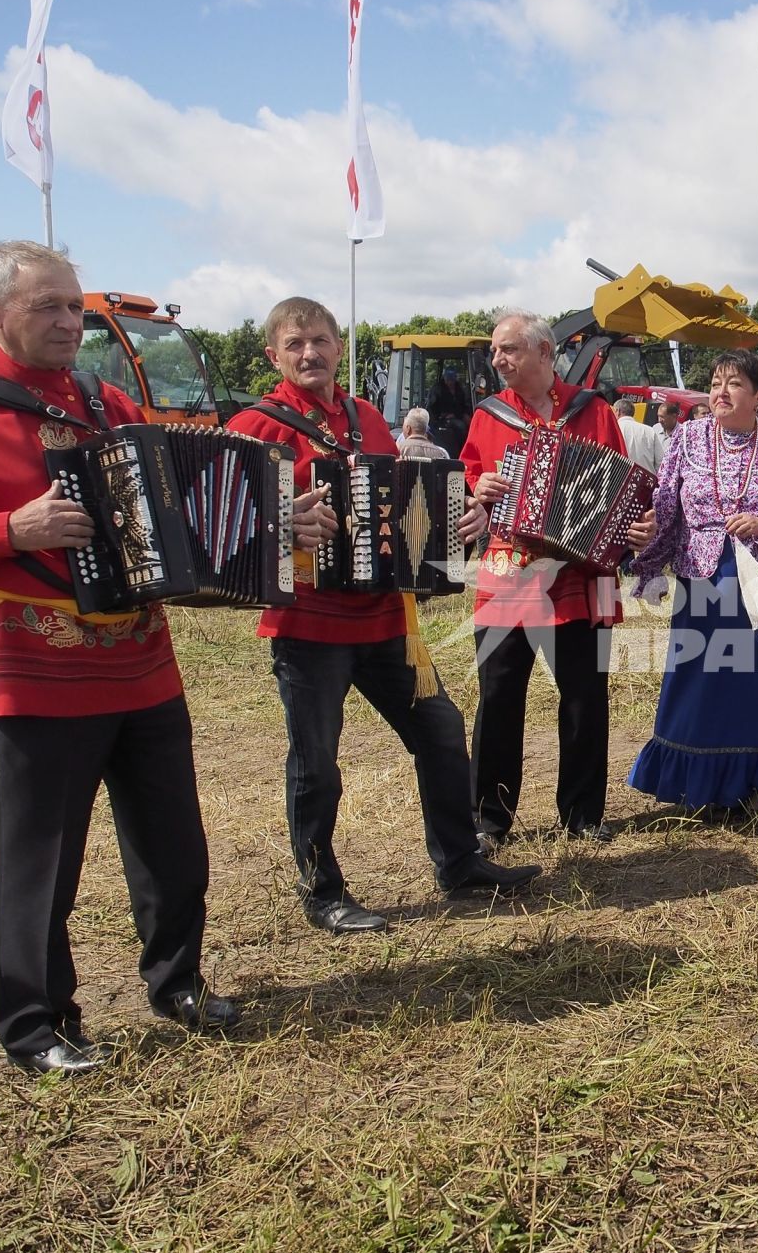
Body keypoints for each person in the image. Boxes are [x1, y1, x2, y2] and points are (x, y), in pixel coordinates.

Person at [0, 241, 265, 1072]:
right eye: (49, 306)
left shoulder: (107, 401)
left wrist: (266, 522)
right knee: (40, 859)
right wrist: (9, 530)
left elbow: (172, 505)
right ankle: (37, 1025)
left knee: (173, 843)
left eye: (75, 306)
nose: (70, 321)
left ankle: (176, 982)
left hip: (144, 659)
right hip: (35, 666)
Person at [228, 297, 539, 937]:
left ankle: (459, 862)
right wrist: (281, 525)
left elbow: (403, 508)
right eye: (295, 345)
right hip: (309, 626)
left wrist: (460, 524)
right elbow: (219, 526)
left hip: (382, 620)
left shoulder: (366, 417)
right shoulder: (255, 426)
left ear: (339, 346)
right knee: (317, 762)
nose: (309, 353)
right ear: (274, 356)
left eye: (320, 340)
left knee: (442, 733)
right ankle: (322, 889)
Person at [463, 309, 653, 845]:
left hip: (580, 574)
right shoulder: (488, 415)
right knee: (498, 692)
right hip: (509, 572)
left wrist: (633, 529)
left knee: (584, 694)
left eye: (509, 350)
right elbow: (467, 476)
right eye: (496, 352)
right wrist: (481, 490)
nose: (498, 360)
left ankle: (583, 814)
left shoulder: (592, 412)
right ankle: (490, 818)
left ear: (545, 353)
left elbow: (622, 487)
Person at [627, 349, 758, 811]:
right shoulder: (689, 438)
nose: (721, 391)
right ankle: (700, 787)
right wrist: (649, 538)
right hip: (703, 575)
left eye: (734, 383)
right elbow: (667, 502)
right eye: (716, 382)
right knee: (703, 679)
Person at [426, 366, 473, 458]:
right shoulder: (437, 389)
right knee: (461, 426)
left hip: (457, 414)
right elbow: (432, 408)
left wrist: (460, 414)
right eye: (448, 379)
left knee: (471, 422)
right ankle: (462, 451)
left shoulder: (459, 389)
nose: (450, 382)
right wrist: (443, 416)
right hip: (442, 418)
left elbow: (463, 404)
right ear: (445, 378)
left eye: (452, 379)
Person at [615, 393, 666, 476]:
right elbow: (661, 462)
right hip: (646, 481)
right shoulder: (649, 430)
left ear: (618, 411)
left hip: (620, 480)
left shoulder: (614, 429)